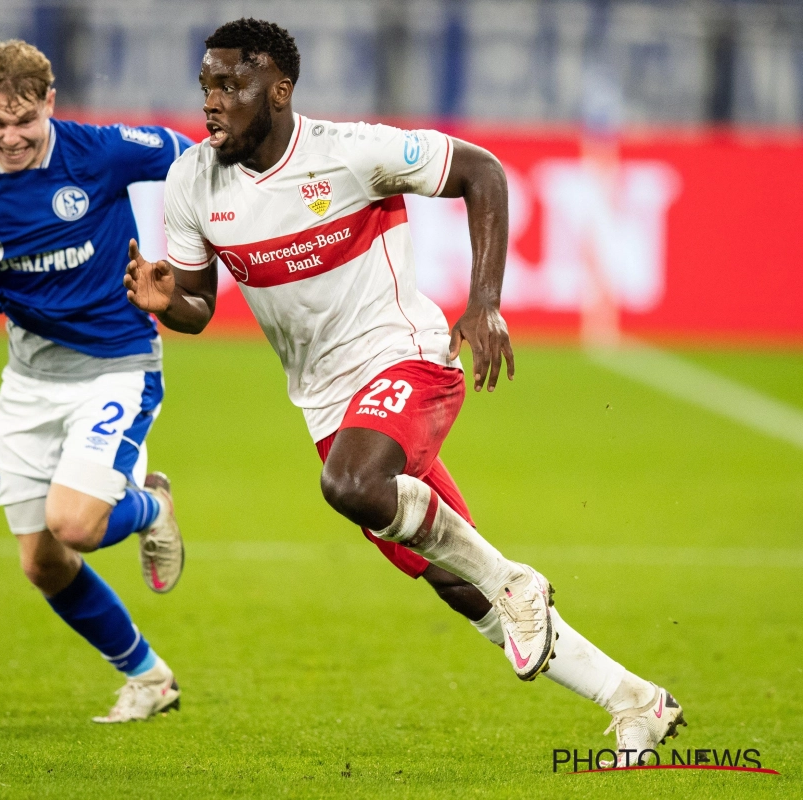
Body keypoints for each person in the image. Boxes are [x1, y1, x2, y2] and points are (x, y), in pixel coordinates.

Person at [125, 18, 685, 763]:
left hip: (406, 359)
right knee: (458, 583)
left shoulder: (351, 154)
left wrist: (483, 301)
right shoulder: (193, 181)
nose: (213, 101)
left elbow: (481, 171)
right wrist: (170, 302)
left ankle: (515, 581)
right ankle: (635, 700)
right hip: (328, 402)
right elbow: (198, 303)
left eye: (232, 85)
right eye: (207, 86)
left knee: (351, 482)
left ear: (280, 91)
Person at [0, 40, 192, 723]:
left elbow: (197, 160)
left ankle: (151, 508)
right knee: (42, 563)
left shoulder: (102, 152)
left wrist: (182, 256)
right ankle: (150, 678)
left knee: (73, 524)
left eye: (25, 123)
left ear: (50, 104)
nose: (10, 140)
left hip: (117, 366)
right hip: (30, 381)